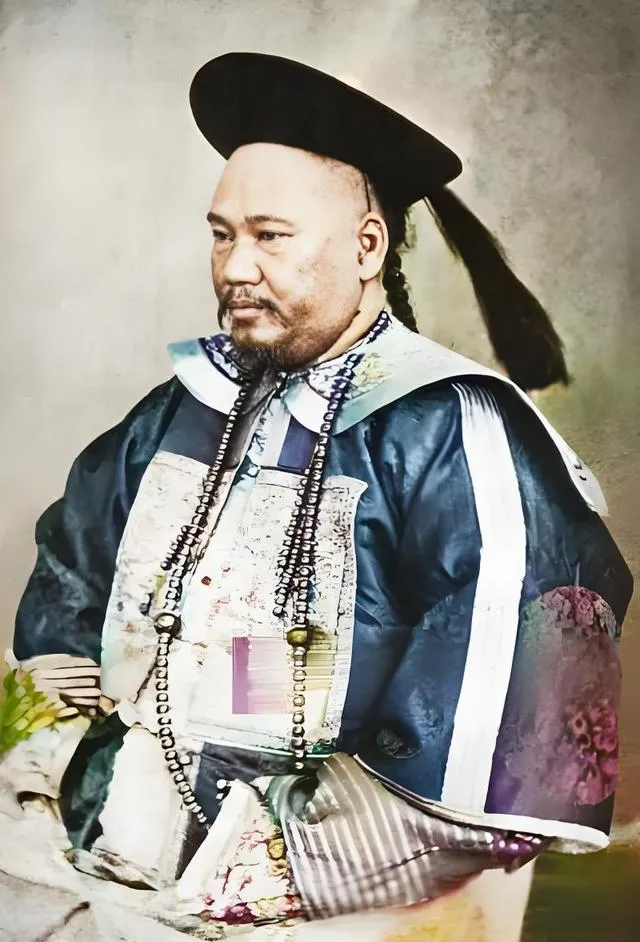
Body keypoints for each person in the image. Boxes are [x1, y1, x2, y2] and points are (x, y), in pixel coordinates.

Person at [0, 52, 632, 942]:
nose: (235, 267)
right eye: (221, 235)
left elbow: (512, 708)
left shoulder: (450, 432)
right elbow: (72, 579)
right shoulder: (181, 413)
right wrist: (64, 766)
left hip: (336, 894)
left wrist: (273, 860)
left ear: (367, 247)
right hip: (116, 849)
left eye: (270, 235)